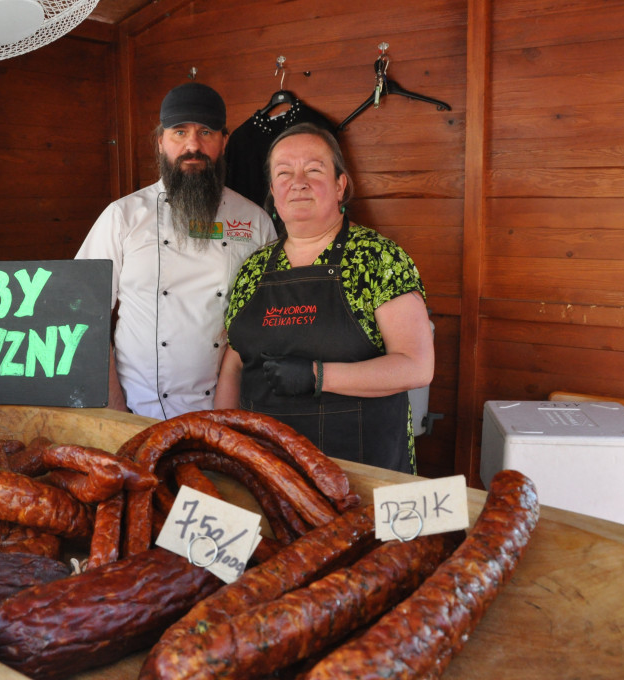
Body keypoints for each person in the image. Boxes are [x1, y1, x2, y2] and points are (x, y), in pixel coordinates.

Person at [214, 122, 434, 473]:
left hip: (360, 470)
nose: (298, 182)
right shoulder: (253, 268)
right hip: (267, 469)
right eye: (284, 173)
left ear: (339, 184)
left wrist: (319, 376)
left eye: (313, 170)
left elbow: (416, 365)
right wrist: (222, 441)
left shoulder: (378, 257)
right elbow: (234, 364)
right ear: (273, 189)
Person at [75, 83, 276, 420]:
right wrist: (115, 411)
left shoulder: (254, 221)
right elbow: (81, 313)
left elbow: (265, 323)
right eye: (179, 132)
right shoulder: (123, 217)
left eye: (206, 132)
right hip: (137, 413)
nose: (192, 145)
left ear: (224, 141)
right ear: (160, 142)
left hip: (225, 414)